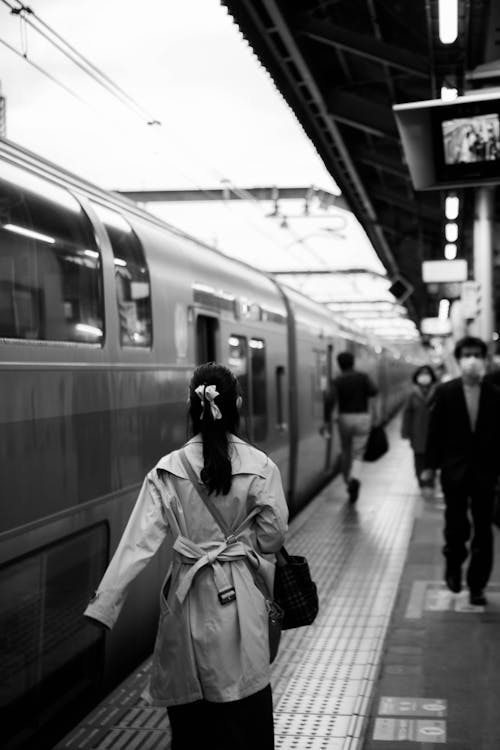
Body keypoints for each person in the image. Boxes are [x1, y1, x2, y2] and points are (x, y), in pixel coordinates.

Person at [84, 362, 288, 750]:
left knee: (192, 722)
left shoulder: (167, 469)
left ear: (190, 408)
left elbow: (137, 544)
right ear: (238, 406)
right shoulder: (261, 467)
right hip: (240, 600)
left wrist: (103, 608)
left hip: (187, 597)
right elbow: (273, 537)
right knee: (246, 716)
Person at [422, 336, 500, 606]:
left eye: (477, 354)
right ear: (458, 358)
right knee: (456, 527)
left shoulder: (495, 393)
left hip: (486, 473)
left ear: (485, 358)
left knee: (483, 530)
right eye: (467, 354)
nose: (472, 359)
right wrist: (429, 468)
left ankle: (477, 585)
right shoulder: (446, 392)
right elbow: (434, 432)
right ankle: (453, 566)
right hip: (454, 473)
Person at [332, 351, 378, 502]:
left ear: (339, 364)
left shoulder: (338, 380)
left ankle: (347, 481)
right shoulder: (363, 377)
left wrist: (327, 418)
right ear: (353, 362)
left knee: (346, 450)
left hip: (344, 417)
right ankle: (354, 479)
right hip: (362, 417)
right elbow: (374, 391)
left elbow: (329, 399)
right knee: (358, 453)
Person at [401, 365, 438, 497]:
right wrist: (405, 432)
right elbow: (407, 413)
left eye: (427, 373)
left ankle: (430, 481)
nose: (424, 376)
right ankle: (421, 482)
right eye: (422, 373)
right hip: (417, 432)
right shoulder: (412, 393)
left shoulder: (438, 391)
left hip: (434, 432)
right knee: (419, 459)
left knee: (433, 458)